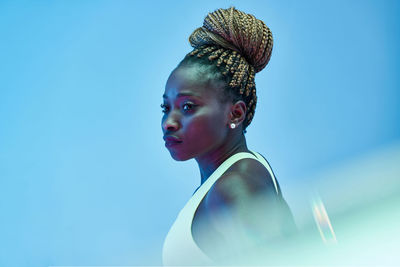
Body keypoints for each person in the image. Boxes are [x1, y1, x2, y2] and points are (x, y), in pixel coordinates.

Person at [161, 6, 296, 266]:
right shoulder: (228, 180)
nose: (169, 122)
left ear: (235, 114)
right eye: (165, 108)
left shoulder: (235, 185)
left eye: (187, 107)